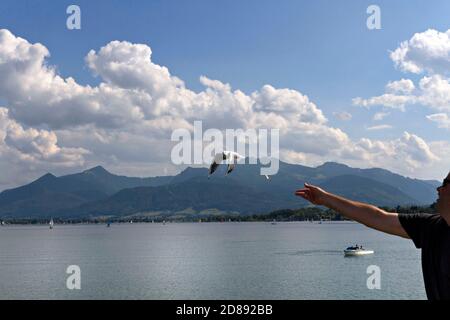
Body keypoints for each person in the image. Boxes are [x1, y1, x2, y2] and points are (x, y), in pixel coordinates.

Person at [295, 173, 450, 300]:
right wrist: (325, 199)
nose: (438, 189)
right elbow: (376, 217)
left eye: (444, 184)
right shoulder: (431, 227)